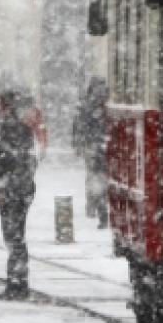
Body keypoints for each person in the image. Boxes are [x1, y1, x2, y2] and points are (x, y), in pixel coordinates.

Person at [0, 89, 39, 301]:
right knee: (15, 237)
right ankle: (17, 281)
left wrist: (1, 187)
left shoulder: (9, 131)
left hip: (13, 192)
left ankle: (17, 283)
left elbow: (8, 164)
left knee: (14, 238)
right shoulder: (16, 130)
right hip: (18, 191)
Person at [73, 77, 110, 228]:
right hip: (104, 144)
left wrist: (78, 143)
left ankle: (94, 205)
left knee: (93, 177)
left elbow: (79, 124)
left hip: (92, 145)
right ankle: (100, 207)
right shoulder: (106, 101)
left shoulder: (86, 102)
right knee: (101, 177)